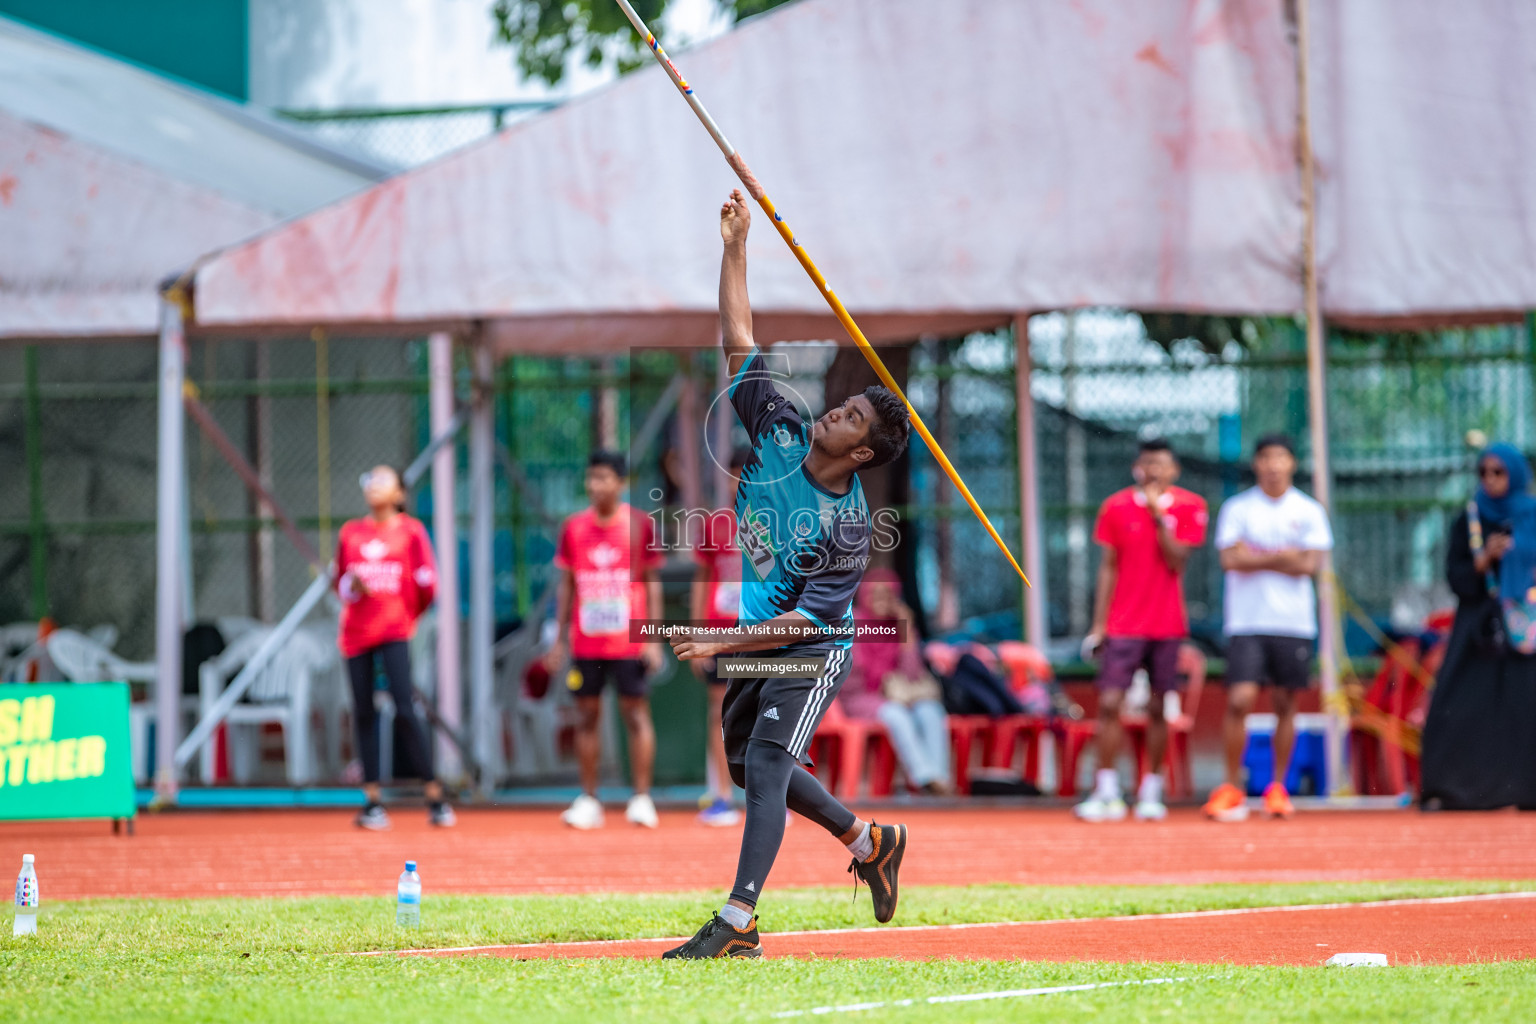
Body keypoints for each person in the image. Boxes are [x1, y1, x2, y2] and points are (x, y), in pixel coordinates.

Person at [659, 189, 912, 959]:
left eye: (854, 421)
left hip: (810, 645)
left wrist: (714, 644)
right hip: (760, 634)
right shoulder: (780, 429)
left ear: (863, 453)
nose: (837, 414)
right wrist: (735, 247)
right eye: (843, 407)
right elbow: (739, 344)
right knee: (751, 769)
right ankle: (869, 841)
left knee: (769, 762)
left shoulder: (849, 526)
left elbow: (807, 623)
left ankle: (739, 923)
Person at [1076, 439, 1208, 823]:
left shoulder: (1190, 506)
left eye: (1161, 464)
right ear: (1137, 467)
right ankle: (1106, 791)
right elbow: (1108, 566)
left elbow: (1177, 558)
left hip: (1166, 625)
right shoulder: (1114, 506)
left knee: (1157, 708)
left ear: (1174, 471)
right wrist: (1099, 624)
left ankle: (1151, 790)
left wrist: (1158, 516)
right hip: (1122, 625)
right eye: (1147, 463)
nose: (1153, 471)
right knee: (1110, 704)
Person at [1204, 435, 1333, 822]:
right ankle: (1231, 787)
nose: (1273, 465)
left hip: (1292, 623)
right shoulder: (1237, 509)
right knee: (1240, 699)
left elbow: (1309, 565)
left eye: (1281, 458)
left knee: (1285, 704)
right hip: (1246, 622)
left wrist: (1255, 555)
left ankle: (1277, 789)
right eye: (1265, 458)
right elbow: (1230, 559)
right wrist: (1284, 555)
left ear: (1292, 463)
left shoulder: (1308, 510)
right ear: (1256, 463)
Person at [545, 450, 667, 830]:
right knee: (587, 717)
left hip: (629, 642)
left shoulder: (639, 525)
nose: (595, 485)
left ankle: (642, 798)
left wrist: (653, 637)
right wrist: (559, 639)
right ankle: (589, 799)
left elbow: (653, 583)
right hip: (586, 642)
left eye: (603, 478)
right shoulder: (573, 528)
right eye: (590, 478)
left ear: (621, 482)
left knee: (635, 714)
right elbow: (566, 586)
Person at [336, 465, 455, 830]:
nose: (375, 485)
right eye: (370, 479)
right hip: (356, 633)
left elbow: (426, 585)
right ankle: (372, 800)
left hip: (393, 631)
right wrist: (352, 585)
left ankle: (434, 794)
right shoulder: (351, 533)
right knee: (363, 711)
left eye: (384, 480)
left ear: (400, 493)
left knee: (405, 706)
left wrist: (408, 615)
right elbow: (339, 583)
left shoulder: (411, 532)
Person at [1420, 443, 1536, 810]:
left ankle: (1524, 790)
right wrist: (1484, 559)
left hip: (1526, 627)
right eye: (1484, 472)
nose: (1490, 480)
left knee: (1525, 707)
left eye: (1499, 472)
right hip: (1478, 628)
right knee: (1455, 708)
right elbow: (1455, 577)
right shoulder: (1468, 519)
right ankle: (1455, 789)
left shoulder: (1531, 516)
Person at [841, 569, 951, 795]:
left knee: (930, 710)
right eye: (875, 594)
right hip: (859, 699)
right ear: (864, 595)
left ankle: (940, 781)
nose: (881, 600)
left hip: (897, 696)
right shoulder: (852, 623)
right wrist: (887, 687)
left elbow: (912, 675)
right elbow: (850, 680)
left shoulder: (899, 626)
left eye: (887, 594)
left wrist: (906, 629)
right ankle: (924, 778)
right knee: (896, 714)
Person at [691, 449, 751, 827]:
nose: (739, 483)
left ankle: (773, 796)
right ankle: (721, 798)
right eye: (732, 476)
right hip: (719, 633)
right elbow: (701, 579)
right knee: (721, 712)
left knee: (767, 711)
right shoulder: (714, 525)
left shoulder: (780, 523)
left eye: (746, 475)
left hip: (760, 634)